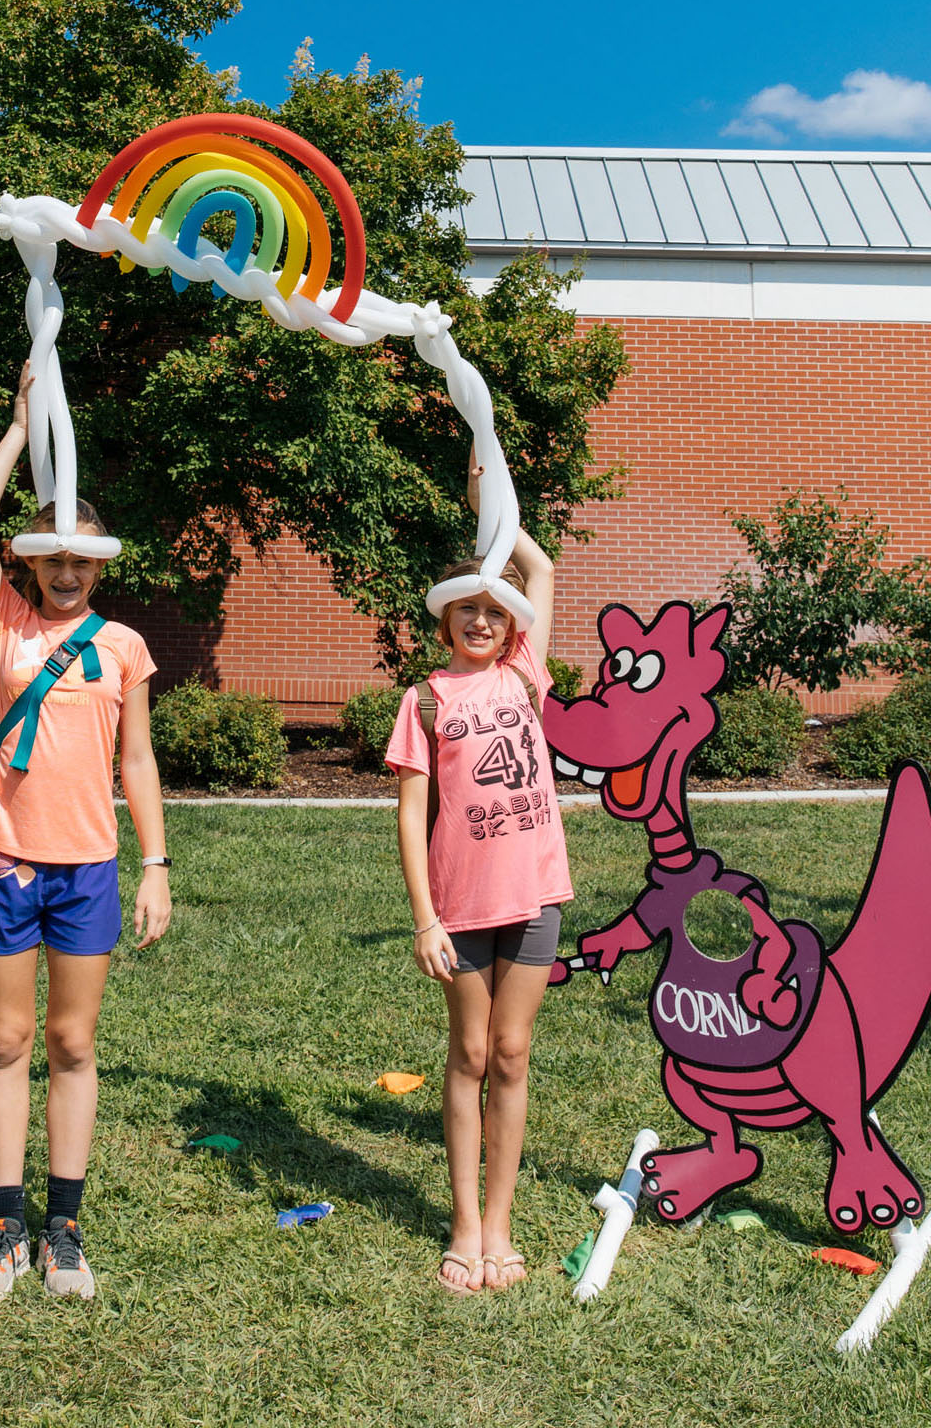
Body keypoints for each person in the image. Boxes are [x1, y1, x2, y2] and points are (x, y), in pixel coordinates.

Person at [0, 364, 172, 1302]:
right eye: (53, 556)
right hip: (4, 857)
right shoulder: (5, 623)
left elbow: (138, 763)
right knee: (7, 1040)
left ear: (100, 566)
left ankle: (64, 1228)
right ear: (31, 563)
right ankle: (4, 1226)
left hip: (88, 864)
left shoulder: (122, 647)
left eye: (84, 558)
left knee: (73, 1044)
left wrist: (156, 864)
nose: (70, 570)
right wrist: (14, 430)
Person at [384, 456, 571, 1296]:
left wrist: (487, 508)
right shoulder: (425, 698)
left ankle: (501, 1222)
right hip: (459, 905)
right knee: (466, 1052)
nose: (484, 622)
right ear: (446, 621)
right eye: (469, 610)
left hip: (534, 895)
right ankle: (462, 1226)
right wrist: (424, 917)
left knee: (512, 1051)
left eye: (496, 612)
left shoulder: (527, 676)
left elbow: (541, 568)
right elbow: (410, 814)